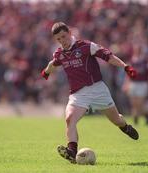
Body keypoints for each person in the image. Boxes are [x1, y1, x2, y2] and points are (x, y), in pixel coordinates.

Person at [41, 22, 139, 164]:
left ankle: (125, 127)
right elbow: (53, 63)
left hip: (97, 90)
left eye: (63, 36)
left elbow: (108, 56)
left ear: (69, 32)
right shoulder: (60, 53)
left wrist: (125, 67)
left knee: (116, 119)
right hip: (78, 94)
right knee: (69, 119)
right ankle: (72, 151)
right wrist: (46, 72)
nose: (62, 41)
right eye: (58, 39)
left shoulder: (86, 46)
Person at [123, 45, 148, 125]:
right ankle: (136, 120)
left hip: (142, 83)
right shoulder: (132, 61)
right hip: (133, 83)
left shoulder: (145, 61)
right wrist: (126, 84)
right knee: (134, 103)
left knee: (140, 103)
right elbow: (128, 74)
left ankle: (146, 116)